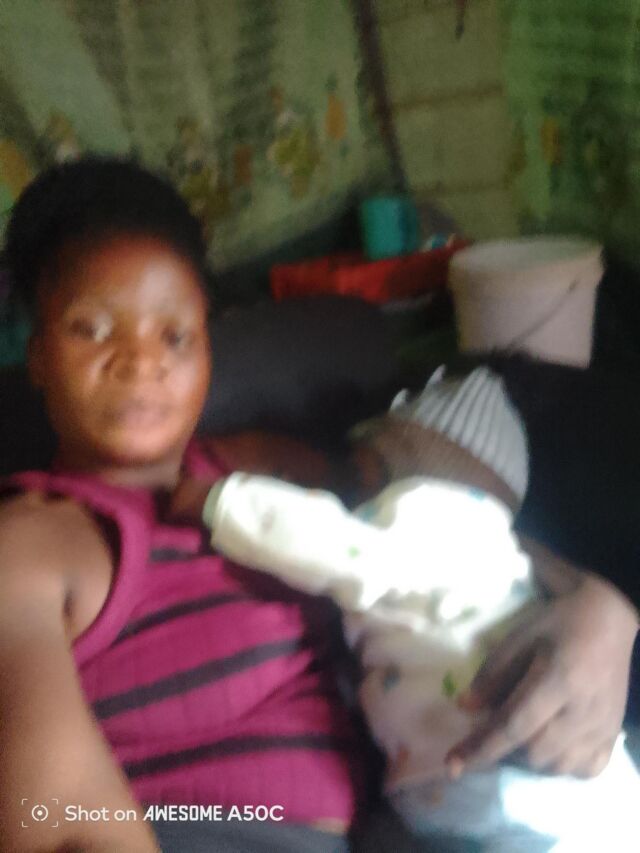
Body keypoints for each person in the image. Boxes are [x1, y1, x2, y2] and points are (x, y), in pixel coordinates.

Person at [0, 155, 636, 853]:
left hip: (413, 812)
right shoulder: (30, 543)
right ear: (38, 355)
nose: (139, 361)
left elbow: (431, 527)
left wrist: (600, 609)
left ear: (208, 344)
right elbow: (56, 826)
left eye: (174, 334)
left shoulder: (261, 468)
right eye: (92, 328)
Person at [170, 367, 640, 851]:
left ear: (387, 465)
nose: (344, 493)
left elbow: (332, 544)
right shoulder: (495, 553)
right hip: (525, 792)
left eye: (357, 470)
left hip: (516, 790)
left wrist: (222, 502)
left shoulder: (430, 519)